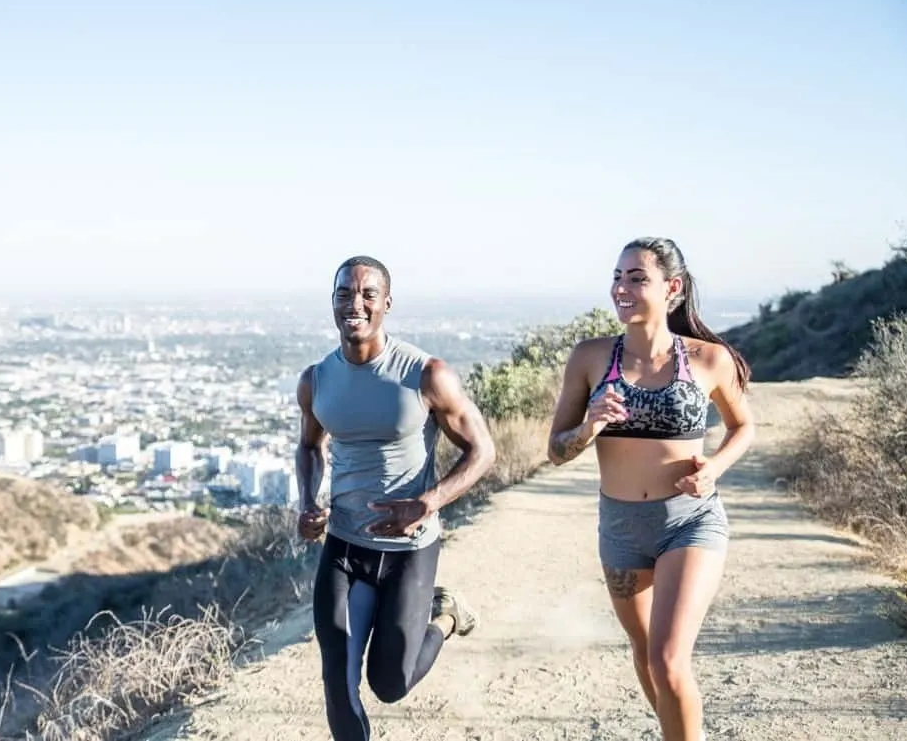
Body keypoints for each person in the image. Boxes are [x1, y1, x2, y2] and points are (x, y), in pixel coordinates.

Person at [546, 237, 755, 741]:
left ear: (672, 288)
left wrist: (713, 469)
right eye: (618, 276)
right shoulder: (591, 358)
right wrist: (587, 428)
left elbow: (742, 427)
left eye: (637, 278)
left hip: (689, 520)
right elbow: (556, 449)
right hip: (620, 529)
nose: (622, 287)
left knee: (667, 659)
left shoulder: (709, 359)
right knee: (646, 655)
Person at [295, 255, 497, 741]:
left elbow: (483, 451)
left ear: (386, 303)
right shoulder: (317, 379)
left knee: (389, 684)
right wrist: (307, 502)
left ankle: (445, 617)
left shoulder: (425, 374)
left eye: (368, 294)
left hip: (410, 551)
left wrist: (427, 502)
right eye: (345, 293)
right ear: (333, 302)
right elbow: (308, 447)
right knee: (339, 685)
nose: (355, 303)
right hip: (344, 548)